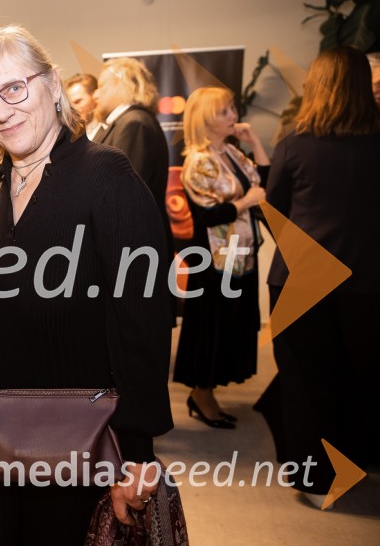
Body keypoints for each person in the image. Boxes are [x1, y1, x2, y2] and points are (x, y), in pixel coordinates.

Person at [0, 25, 173, 544]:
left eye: (14, 88)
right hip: (8, 448)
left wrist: (136, 457)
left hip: (88, 451)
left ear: (53, 85)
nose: (1, 111)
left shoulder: (108, 178)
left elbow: (142, 322)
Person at [258, 46, 380, 507]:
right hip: (368, 285)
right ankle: (352, 465)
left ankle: (312, 478)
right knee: (359, 380)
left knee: (305, 381)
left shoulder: (294, 144)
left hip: (300, 282)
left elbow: (276, 212)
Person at [172, 87, 269, 428]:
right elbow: (208, 216)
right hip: (214, 262)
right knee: (210, 329)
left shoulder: (231, 151)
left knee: (231, 326)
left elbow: (264, 182)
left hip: (240, 256)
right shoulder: (198, 161)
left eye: (231, 109)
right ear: (206, 119)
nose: (233, 115)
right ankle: (200, 394)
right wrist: (246, 202)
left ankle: (206, 392)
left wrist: (255, 141)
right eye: (224, 111)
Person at [91, 57, 174, 304]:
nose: (97, 93)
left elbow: (123, 196)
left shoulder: (133, 124)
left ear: (121, 84)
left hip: (132, 251)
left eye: (103, 85)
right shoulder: (126, 123)